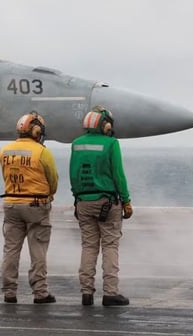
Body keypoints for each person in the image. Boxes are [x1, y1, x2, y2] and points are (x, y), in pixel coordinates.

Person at [69, 106, 133, 307]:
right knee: (110, 246)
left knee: (88, 247)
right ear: (105, 124)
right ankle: (110, 293)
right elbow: (118, 175)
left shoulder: (76, 144)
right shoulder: (111, 143)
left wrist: (77, 198)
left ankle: (86, 293)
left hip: (83, 202)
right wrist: (127, 200)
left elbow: (73, 174)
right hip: (107, 203)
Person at [0, 112, 58, 304]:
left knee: (11, 250)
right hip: (36, 206)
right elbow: (53, 180)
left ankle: (9, 292)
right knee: (38, 250)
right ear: (36, 130)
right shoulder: (42, 152)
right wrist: (49, 194)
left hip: (11, 204)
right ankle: (40, 293)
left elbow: (6, 176)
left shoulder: (4, 151)